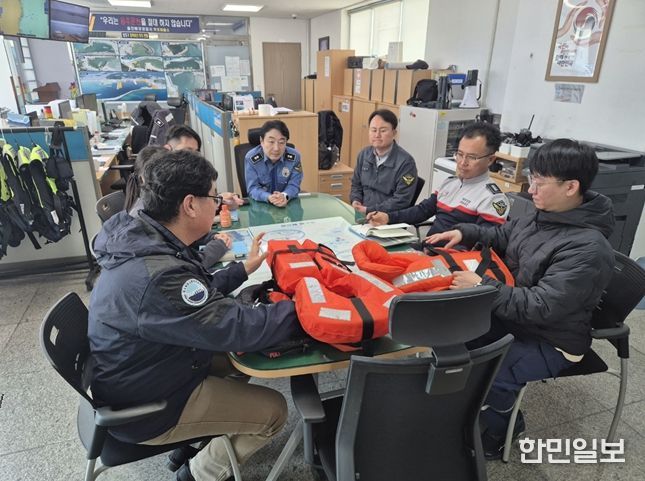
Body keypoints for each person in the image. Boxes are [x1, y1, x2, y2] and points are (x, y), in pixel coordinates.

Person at [88, 150, 303, 481]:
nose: (218, 206)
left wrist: (241, 270)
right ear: (189, 205)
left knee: (241, 361)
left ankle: (203, 438)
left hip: (150, 367)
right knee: (274, 411)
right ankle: (196, 473)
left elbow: (192, 296)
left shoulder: (146, 238)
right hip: (149, 405)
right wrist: (304, 305)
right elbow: (237, 327)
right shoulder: (157, 274)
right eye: (214, 198)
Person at [427, 139, 615, 459]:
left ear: (571, 187)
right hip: (515, 315)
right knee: (450, 332)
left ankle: (501, 430)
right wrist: (465, 233)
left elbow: (542, 307)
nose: (531, 188)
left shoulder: (587, 248)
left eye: (539, 181)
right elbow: (504, 235)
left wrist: (482, 285)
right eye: (531, 178)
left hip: (551, 338)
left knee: (488, 371)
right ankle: (465, 405)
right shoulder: (541, 212)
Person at [366, 122, 509, 234]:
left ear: (490, 160)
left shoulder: (492, 198)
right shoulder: (450, 183)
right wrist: (388, 217)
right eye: (460, 154)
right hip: (428, 249)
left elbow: (483, 243)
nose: (462, 162)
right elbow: (422, 211)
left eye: (472, 157)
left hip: (451, 257)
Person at [123, 145, 235, 269]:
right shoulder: (163, 262)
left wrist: (211, 236)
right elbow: (188, 266)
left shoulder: (153, 219)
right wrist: (220, 247)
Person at [350, 109, 418, 215]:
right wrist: (356, 200)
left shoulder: (406, 163)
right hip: (362, 214)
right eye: (373, 130)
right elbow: (356, 184)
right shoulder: (364, 155)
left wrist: (369, 210)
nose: (377, 135)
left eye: (383, 131)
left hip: (387, 218)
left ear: (394, 133)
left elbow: (401, 200)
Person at [244, 120, 303, 207]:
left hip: (287, 205)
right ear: (262, 141)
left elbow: (294, 185)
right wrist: (268, 197)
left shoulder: (294, 157)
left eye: (281, 142)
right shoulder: (251, 158)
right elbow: (253, 188)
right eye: (271, 142)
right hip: (261, 207)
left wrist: (284, 196)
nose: (276, 148)